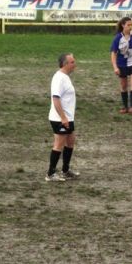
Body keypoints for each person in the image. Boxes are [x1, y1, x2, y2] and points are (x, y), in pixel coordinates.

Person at [46, 53, 80, 182]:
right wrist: (63, 118)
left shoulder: (65, 77)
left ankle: (65, 170)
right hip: (59, 118)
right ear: (65, 64)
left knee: (70, 141)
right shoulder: (59, 78)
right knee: (59, 144)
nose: (74, 64)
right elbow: (56, 99)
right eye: (72, 62)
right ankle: (50, 173)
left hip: (67, 117)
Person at [110, 16, 132, 114]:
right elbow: (113, 53)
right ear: (123, 25)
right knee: (123, 85)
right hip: (122, 64)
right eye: (128, 25)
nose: (130, 27)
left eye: (131, 25)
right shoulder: (117, 38)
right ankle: (125, 107)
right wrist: (115, 67)